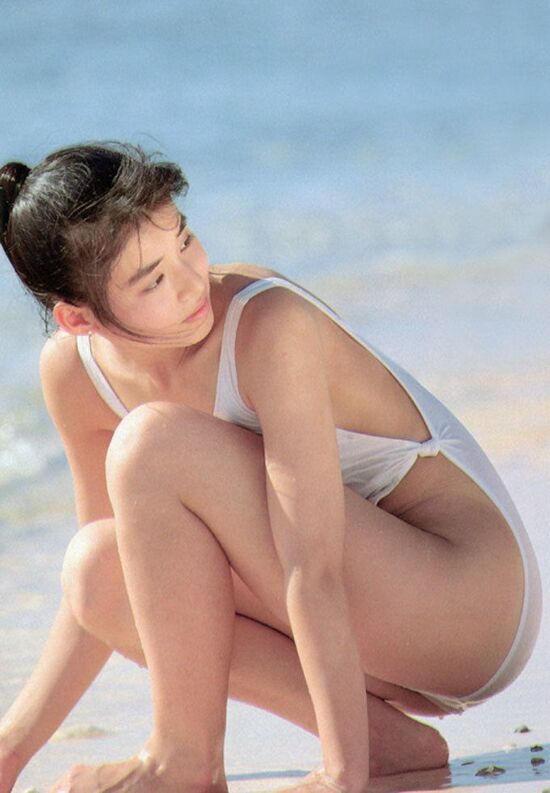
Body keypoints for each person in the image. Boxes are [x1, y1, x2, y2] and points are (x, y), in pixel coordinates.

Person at [0, 143, 542, 793]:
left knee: (151, 443)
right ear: (77, 318)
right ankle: (389, 746)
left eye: (185, 240)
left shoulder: (266, 325)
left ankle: (185, 761)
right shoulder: (74, 373)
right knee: (94, 570)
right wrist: (9, 750)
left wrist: (340, 776)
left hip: (472, 606)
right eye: (152, 281)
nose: (191, 280)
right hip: (370, 624)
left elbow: (310, 561)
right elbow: (118, 579)